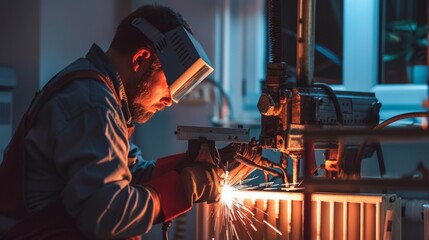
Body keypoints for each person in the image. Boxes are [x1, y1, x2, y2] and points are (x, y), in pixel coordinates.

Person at [0, 4, 225, 240]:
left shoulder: (103, 94)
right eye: (170, 86)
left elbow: (129, 171)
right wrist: (185, 186)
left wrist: (191, 163)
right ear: (140, 60)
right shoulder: (93, 103)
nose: (171, 101)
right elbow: (107, 216)